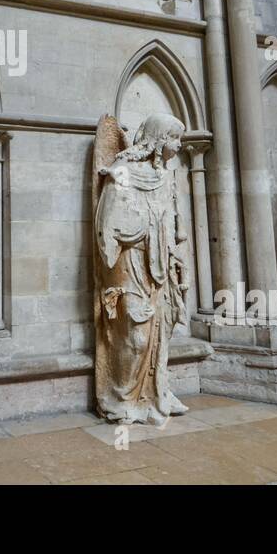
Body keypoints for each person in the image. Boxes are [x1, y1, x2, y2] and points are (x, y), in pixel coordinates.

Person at [92, 113, 191, 425]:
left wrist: (175, 256)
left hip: (159, 266)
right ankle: (121, 397)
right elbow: (107, 225)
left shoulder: (165, 177)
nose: (179, 145)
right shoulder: (122, 171)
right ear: (158, 139)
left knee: (161, 331)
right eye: (174, 138)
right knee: (135, 336)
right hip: (130, 264)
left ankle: (155, 391)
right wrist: (144, 228)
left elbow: (176, 229)